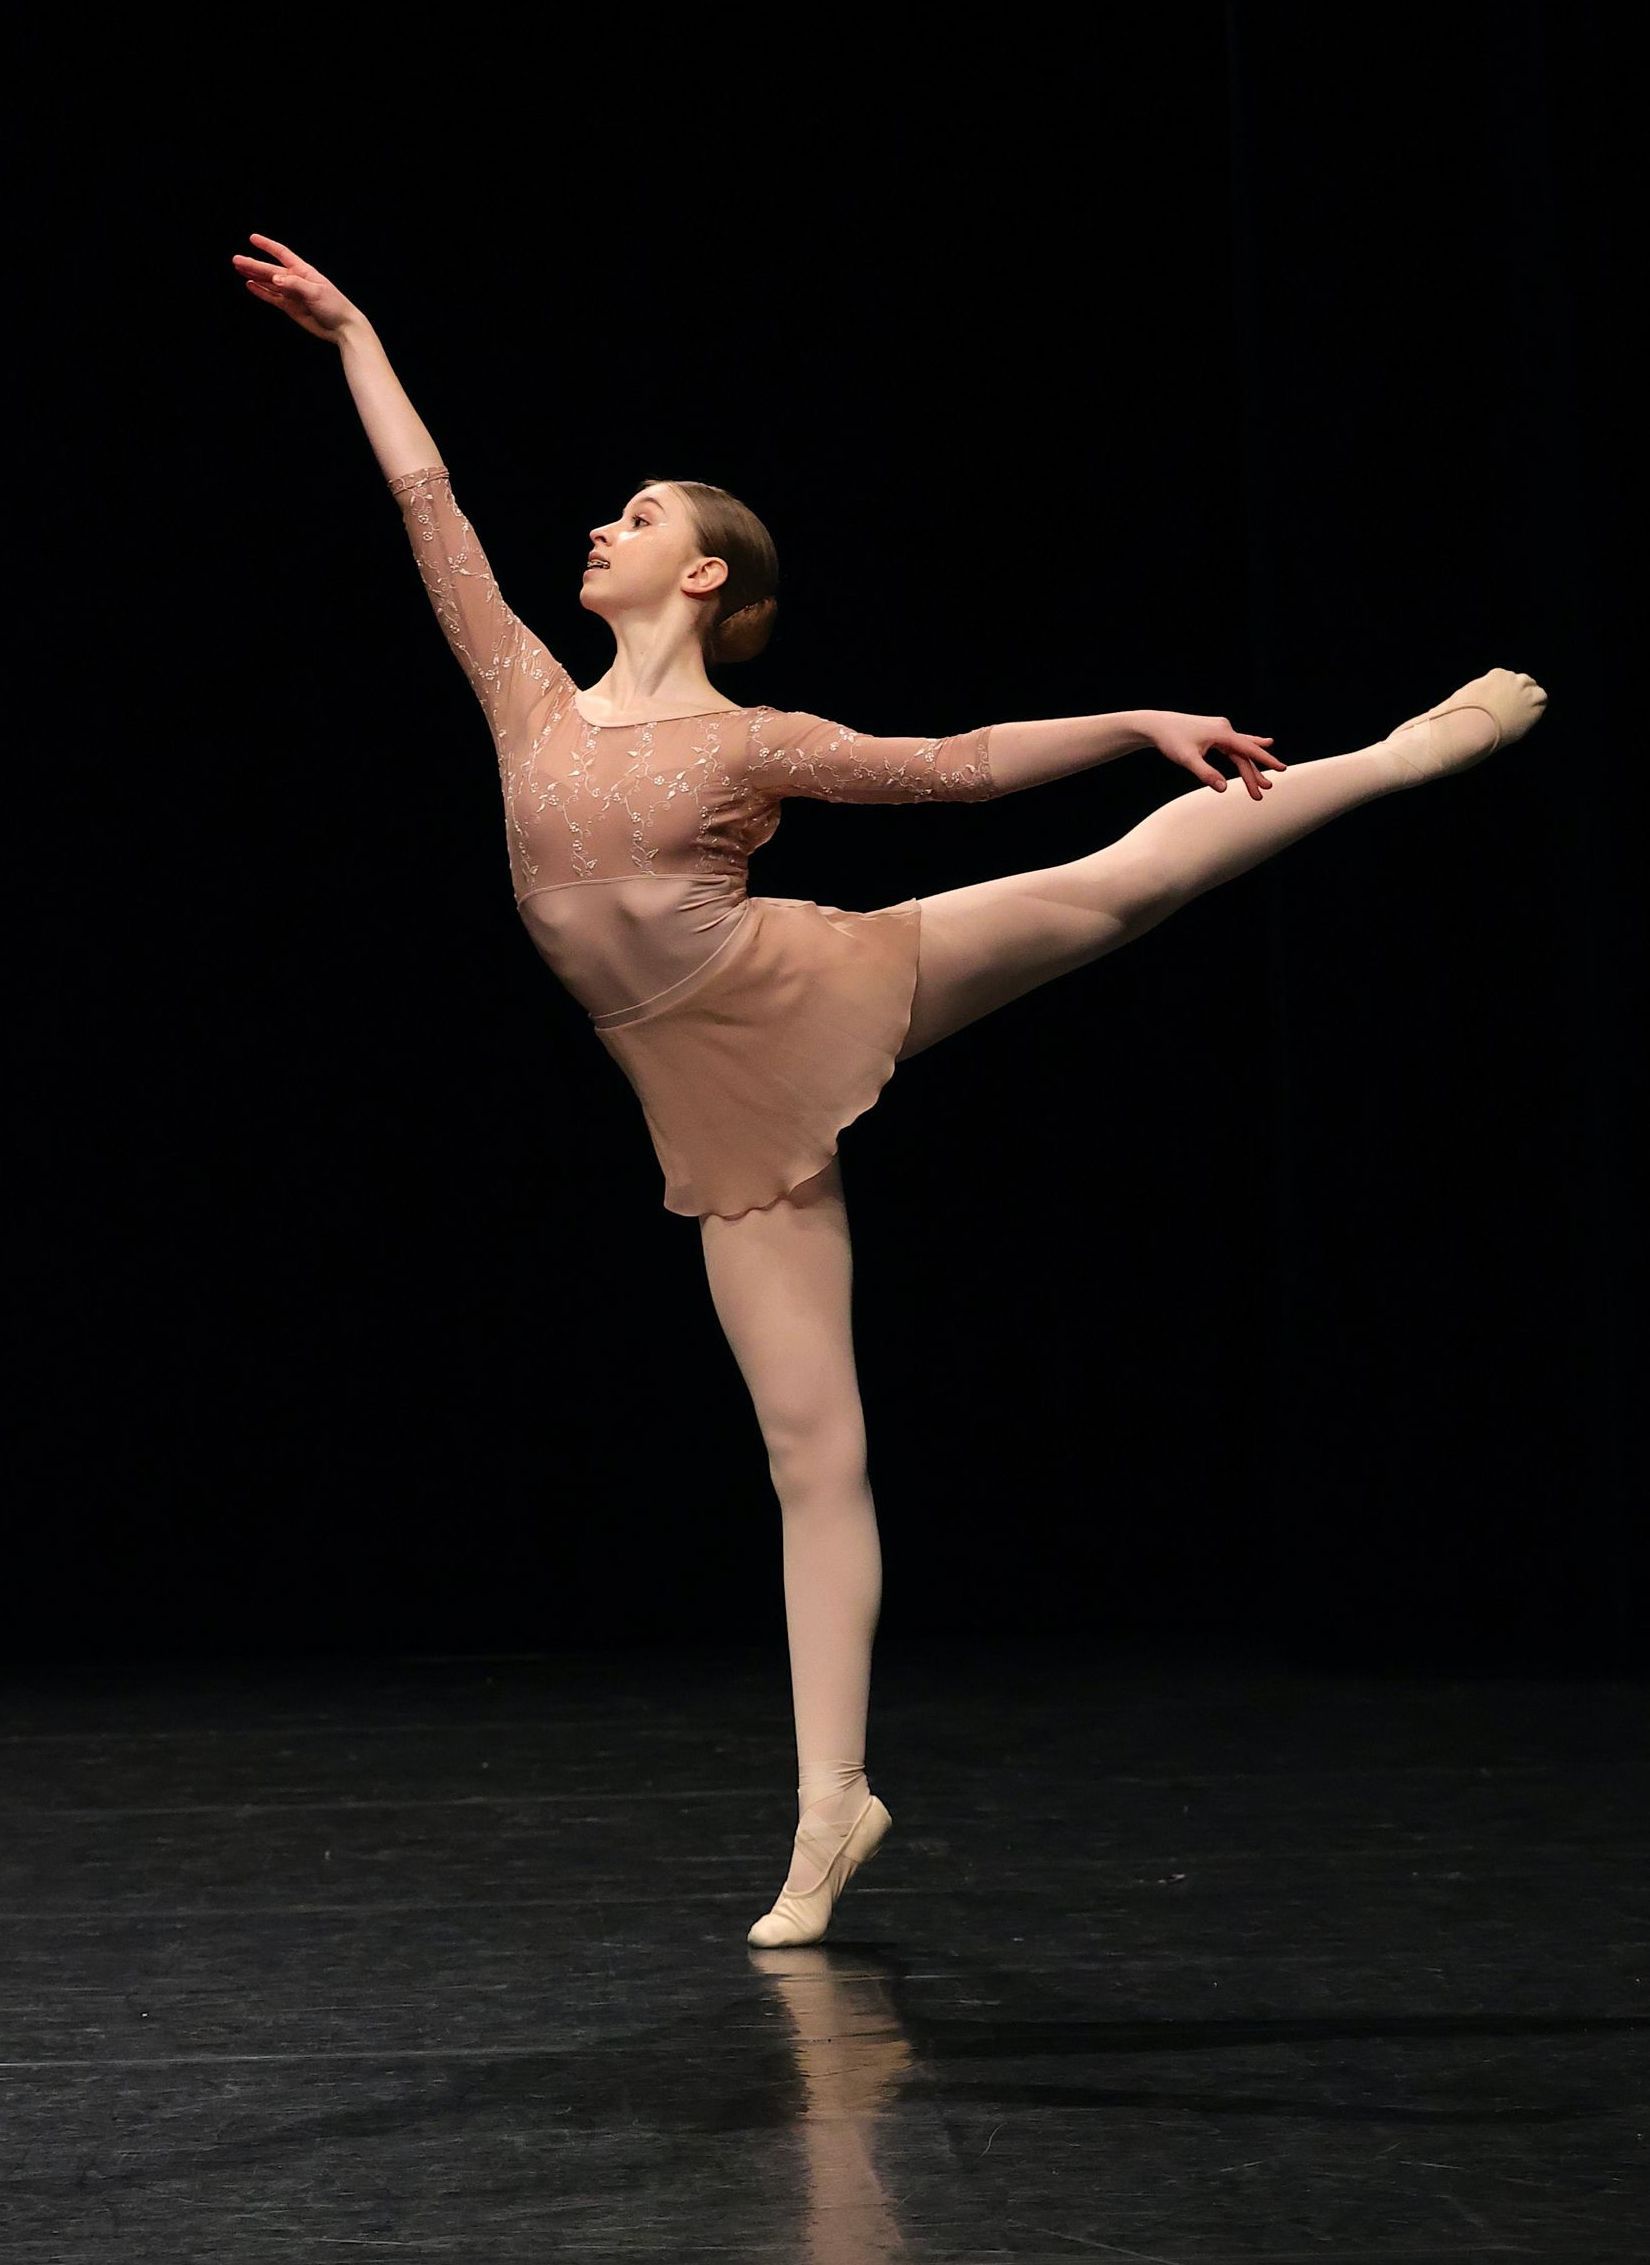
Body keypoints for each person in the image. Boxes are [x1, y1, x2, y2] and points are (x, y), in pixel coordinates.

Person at [231, 233, 1550, 1947]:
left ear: (705, 577)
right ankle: (831, 1802)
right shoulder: (522, 697)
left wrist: (1139, 712)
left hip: (804, 977)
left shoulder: (750, 738)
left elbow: (957, 766)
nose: (600, 528)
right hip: (698, 1092)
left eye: (638, 516)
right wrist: (355, 334)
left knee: (1115, 889)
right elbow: (429, 506)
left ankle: (1397, 753)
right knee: (809, 1444)